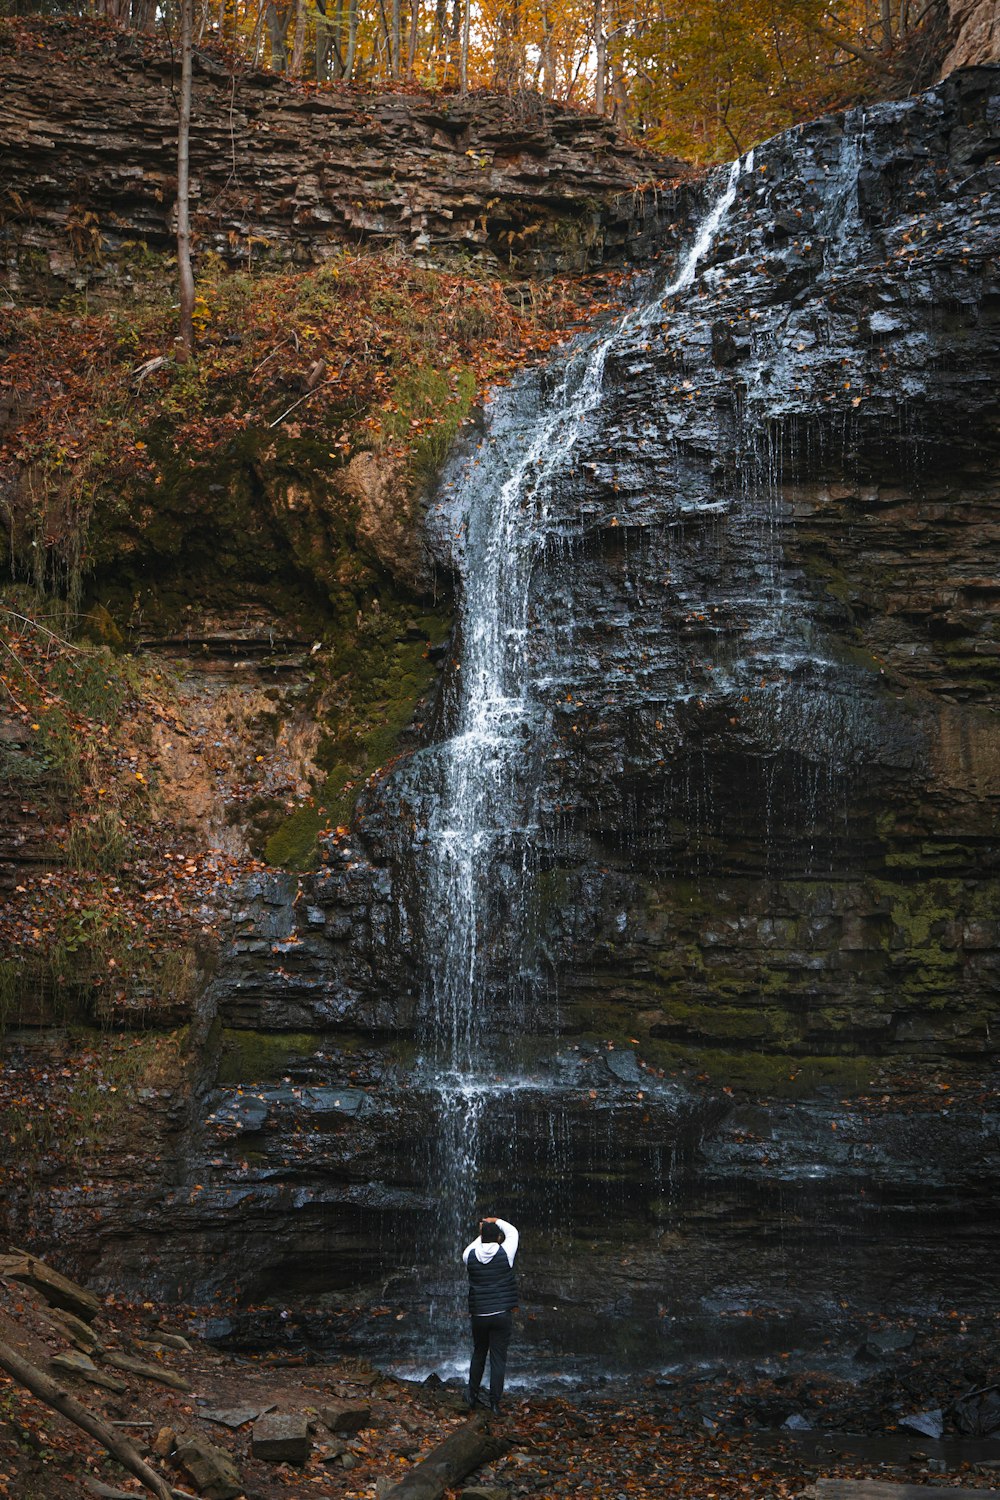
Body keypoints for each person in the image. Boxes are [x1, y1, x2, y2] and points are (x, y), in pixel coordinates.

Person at [463, 1213, 519, 1415]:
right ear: (498, 1238)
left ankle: (471, 1396)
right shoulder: (506, 1252)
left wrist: (483, 1230)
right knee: (498, 1359)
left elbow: (479, 1242)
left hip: (479, 1316)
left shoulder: (468, 1254)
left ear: (480, 1236)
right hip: (501, 1315)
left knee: (479, 1353)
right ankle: (495, 1403)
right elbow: (512, 1232)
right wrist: (495, 1221)